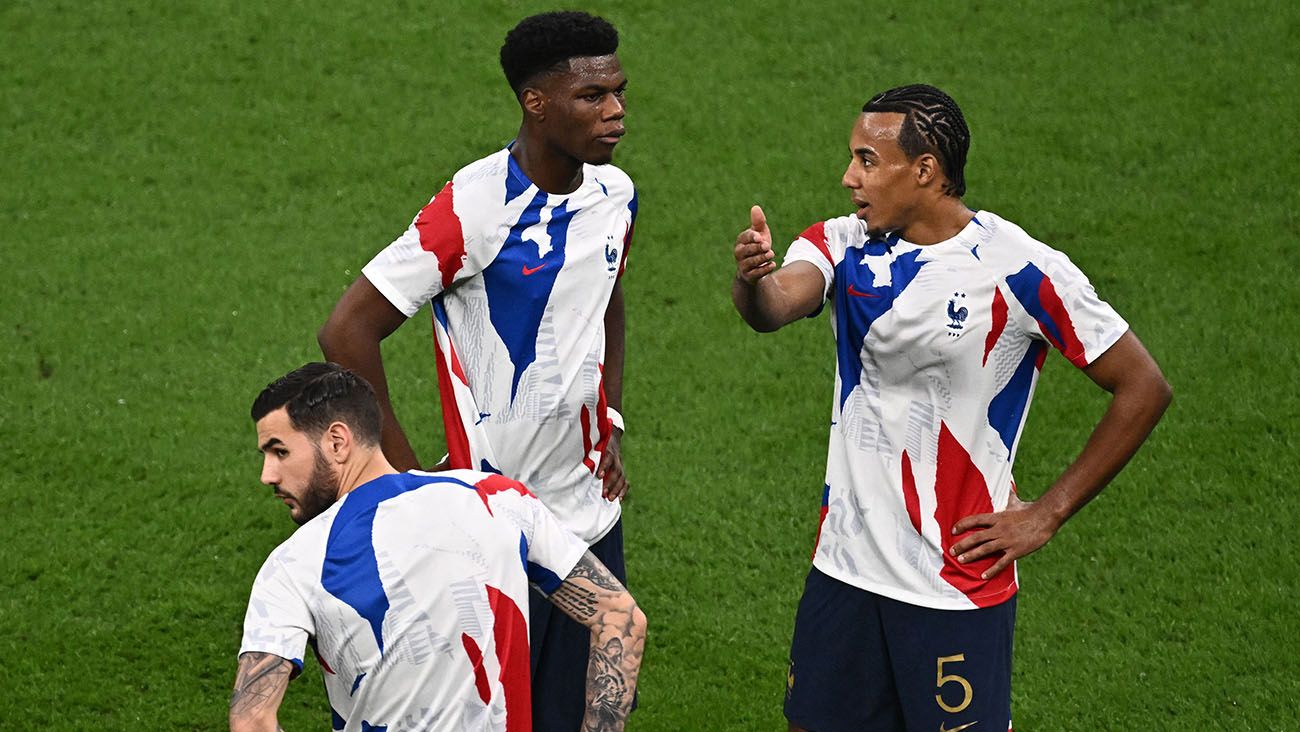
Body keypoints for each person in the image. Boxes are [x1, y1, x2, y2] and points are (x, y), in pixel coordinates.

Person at [731, 84, 1172, 731]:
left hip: (952, 590)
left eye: (867, 160)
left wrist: (1047, 514)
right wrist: (753, 281)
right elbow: (775, 307)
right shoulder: (842, 242)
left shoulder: (1019, 268)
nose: (849, 176)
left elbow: (1143, 385)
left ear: (926, 170)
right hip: (844, 572)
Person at [316, 11, 637, 729]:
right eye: (592, 97)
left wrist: (609, 416)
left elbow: (608, 301)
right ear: (536, 102)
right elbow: (348, 330)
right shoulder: (474, 206)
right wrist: (404, 484)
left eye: (619, 92)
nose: (615, 111)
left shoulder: (615, 196)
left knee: (589, 715)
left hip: (589, 518)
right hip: (494, 530)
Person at [230, 362, 646, 732]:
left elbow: (251, 718)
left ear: (338, 442)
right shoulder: (499, 499)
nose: (267, 475)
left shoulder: (293, 563)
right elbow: (621, 618)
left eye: (279, 451)